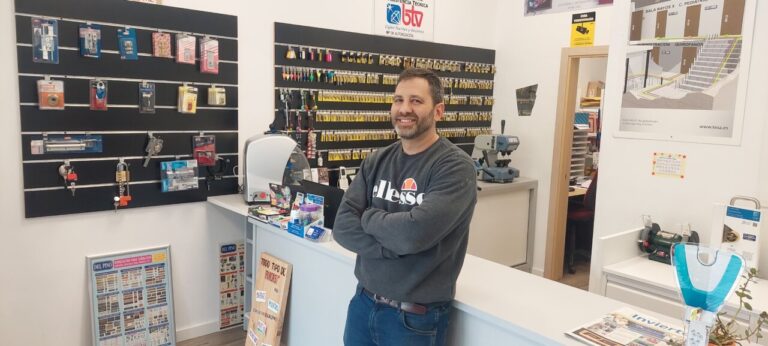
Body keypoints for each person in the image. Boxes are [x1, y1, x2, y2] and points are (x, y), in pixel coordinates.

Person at [333, 68, 478, 346]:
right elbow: (342, 226)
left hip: (414, 320)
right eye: (398, 100)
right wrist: (393, 247)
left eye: (416, 101)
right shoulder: (377, 160)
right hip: (363, 303)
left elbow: (413, 234)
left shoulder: (455, 167)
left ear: (438, 111)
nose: (404, 109)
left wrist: (368, 216)